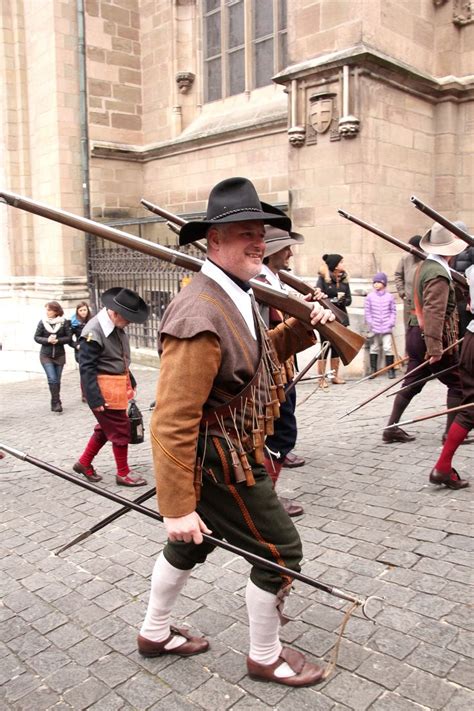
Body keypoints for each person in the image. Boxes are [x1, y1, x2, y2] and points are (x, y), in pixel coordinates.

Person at [139, 177, 335, 687]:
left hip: (227, 447)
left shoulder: (235, 290)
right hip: (216, 458)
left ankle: (155, 632)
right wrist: (177, 506)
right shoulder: (201, 311)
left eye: (261, 232)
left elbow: (255, 358)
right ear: (214, 241)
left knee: (194, 545)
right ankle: (265, 656)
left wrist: (305, 324)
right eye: (244, 231)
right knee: (280, 552)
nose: (257, 241)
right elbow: (172, 418)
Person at [382, 223, 465, 444]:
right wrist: (435, 348)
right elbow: (434, 312)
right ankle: (450, 434)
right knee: (457, 383)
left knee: (412, 382)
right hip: (430, 336)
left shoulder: (427, 266)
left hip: (415, 333)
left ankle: (391, 428)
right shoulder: (438, 273)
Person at [73, 287, 149, 486]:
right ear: (115, 313)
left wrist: (129, 379)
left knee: (106, 429)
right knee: (120, 430)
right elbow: (86, 367)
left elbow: (118, 357)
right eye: (128, 318)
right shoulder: (93, 331)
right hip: (103, 389)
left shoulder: (115, 325)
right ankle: (123, 473)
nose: (130, 323)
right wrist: (94, 398)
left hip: (115, 386)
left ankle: (83, 463)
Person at [257, 226, 306, 517]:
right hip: (271, 369)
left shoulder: (274, 280)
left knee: (278, 432)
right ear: (273, 252)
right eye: (286, 247)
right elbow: (266, 330)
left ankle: (263, 495)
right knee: (280, 434)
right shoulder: (261, 282)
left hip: (282, 365)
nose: (290, 252)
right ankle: (267, 501)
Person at [429, 261, 473, 489]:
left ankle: (443, 467)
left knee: (469, 408)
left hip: (471, 338)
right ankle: (443, 467)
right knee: (470, 409)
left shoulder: (471, 271)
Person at [315, 253, 351, 386]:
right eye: (341, 262)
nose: (343, 264)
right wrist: (335, 300)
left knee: (337, 347)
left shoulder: (345, 279)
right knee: (325, 347)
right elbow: (318, 297)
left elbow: (349, 300)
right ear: (335, 265)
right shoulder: (323, 279)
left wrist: (343, 300)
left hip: (340, 318)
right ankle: (321, 378)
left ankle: (334, 376)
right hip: (326, 318)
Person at [34, 301, 71, 413]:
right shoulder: (43, 322)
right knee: (52, 378)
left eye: (49, 310)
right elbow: (36, 337)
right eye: (47, 310)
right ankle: (56, 402)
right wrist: (47, 340)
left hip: (59, 355)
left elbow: (68, 338)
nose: (47, 312)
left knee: (57, 380)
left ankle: (54, 400)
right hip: (46, 355)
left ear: (56, 311)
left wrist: (58, 340)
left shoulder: (64, 323)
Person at [364, 272, 397, 378]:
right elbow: (367, 311)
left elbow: (393, 311)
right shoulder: (370, 297)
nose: (376, 284)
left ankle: (390, 369)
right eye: (375, 282)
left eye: (378, 282)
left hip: (387, 326)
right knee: (374, 347)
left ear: (384, 283)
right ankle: (373, 370)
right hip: (375, 327)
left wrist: (391, 322)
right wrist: (371, 322)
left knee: (388, 347)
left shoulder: (390, 297)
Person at [394, 235, 423, 334]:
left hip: (421, 303)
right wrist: (402, 293)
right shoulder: (405, 258)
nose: (410, 249)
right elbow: (398, 275)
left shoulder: (426, 260)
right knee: (409, 329)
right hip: (408, 302)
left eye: (413, 247)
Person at [450, 222, 474, 338]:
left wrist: (471, 300)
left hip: (467, 300)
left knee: (465, 333)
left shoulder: (471, 250)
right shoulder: (454, 251)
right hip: (457, 298)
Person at [70, 301, 93, 401]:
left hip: (93, 348)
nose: (83, 312)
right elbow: (69, 339)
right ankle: (85, 394)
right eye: (81, 310)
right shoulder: (73, 323)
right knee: (84, 372)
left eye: (84, 310)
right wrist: (76, 345)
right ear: (77, 311)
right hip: (81, 350)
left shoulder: (93, 321)